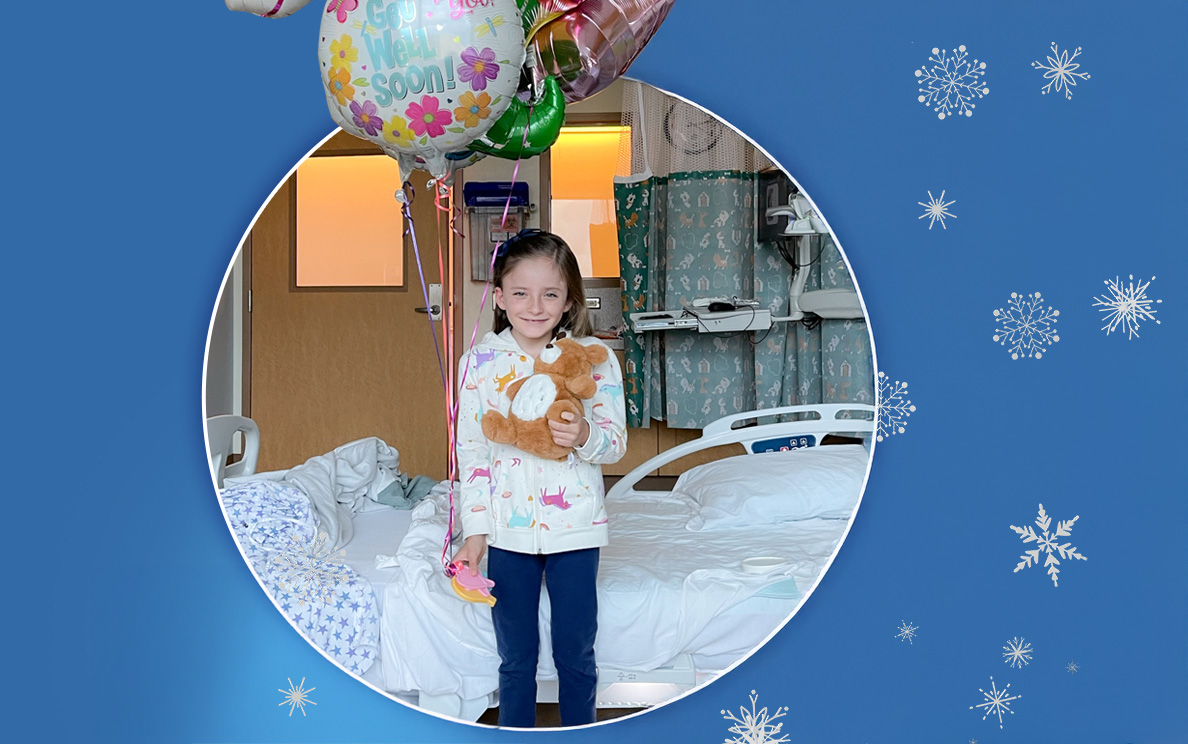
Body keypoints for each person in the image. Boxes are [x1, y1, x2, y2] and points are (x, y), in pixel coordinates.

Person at [452, 229, 627, 728]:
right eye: (521, 292)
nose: (535, 306)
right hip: (507, 533)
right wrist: (476, 532)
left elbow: (614, 444)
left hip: (576, 530)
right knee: (516, 658)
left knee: (576, 653)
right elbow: (473, 451)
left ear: (569, 299)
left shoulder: (592, 358)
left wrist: (583, 434)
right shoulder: (481, 362)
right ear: (500, 296)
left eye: (550, 293)